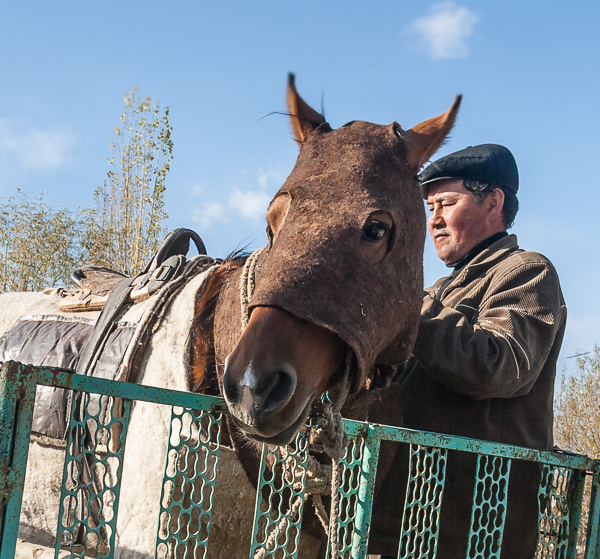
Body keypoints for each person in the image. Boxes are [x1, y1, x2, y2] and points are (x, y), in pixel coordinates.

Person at [373, 144, 567, 558]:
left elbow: (498, 364)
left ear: (493, 202)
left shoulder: (527, 272)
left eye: (446, 202)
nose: (435, 220)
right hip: (409, 517)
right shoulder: (437, 292)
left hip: (478, 527)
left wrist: (406, 300)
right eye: (429, 208)